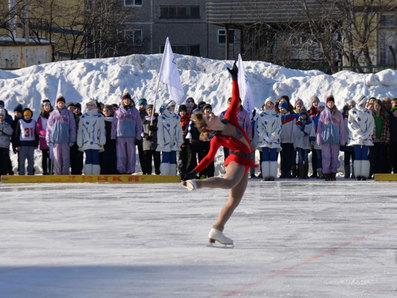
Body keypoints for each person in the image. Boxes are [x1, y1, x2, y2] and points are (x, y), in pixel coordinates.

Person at [181, 62, 256, 246]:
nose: (211, 115)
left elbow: (235, 97)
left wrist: (234, 79)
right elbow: (208, 158)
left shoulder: (229, 117)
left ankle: (217, 229)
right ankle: (198, 184)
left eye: (210, 114)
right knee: (229, 182)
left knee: (234, 200)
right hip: (236, 160)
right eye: (208, 118)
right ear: (207, 127)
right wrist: (194, 172)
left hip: (246, 162)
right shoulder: (216, 139)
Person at [111, 91, 142, 174]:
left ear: (130, 101)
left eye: (128, 99)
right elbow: (114, 125)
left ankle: (130, 170)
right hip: (120, 136)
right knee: (121, 154)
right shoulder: (118, 111)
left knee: (131, 155)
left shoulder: (135, 111)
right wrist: (113, 137)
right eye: (125, 99)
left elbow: (139, 125)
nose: (126, 101)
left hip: (131, 136)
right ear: (122, 101)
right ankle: (122, 170)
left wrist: (138, 137)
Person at [316, 95, 346, 181]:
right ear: (326, 103)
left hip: (335, 139)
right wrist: (319, 138)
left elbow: (342, 128)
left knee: (334, 157)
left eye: (331, 102)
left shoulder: (338, 114)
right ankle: (326, 173)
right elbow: (319, 127)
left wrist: (342, 139)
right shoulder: (323, 113)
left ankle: (333, 173)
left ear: (334, 103)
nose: (330, 104)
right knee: (326, 157)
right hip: (325, 139)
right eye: (328, 102)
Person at [46, 95, 76, 175]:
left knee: (65, 159)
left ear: (64, 104)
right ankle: (57, 174)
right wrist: (48, 139)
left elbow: (72, 127)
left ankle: (65, 174)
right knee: (57, 159)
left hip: (65, 140)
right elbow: (49, 128)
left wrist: (72, 140)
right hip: (56, 141)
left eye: (62, 103)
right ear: (57, 104)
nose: (61, 104)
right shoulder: (53, 113)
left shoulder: (68, 113)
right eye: (59, 103)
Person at [347, 95, 374, 180]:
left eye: (365, 102)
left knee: (365, 155)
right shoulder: (352, 111)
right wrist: (357, 132)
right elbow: (350, 123)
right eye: (363, 102)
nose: (364, 104)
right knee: (357, 155)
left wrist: (367, 133)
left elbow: (371, 124)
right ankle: (358, 174)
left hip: (366, 137)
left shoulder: (369, 112)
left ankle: (364, 174)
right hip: (357, 137)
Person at [77, 98, 106, 175]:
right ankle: (88, 174)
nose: (90, 107)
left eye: (92, 105)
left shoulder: (99, 117)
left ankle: (95, 174)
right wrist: (79, 141)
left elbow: (102, 130)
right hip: (86, 142)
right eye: (88, 105)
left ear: (95, 106)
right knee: (88, 158)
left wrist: (102, 140)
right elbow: (80, 131)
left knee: (95, 158)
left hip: (96, 142)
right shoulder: (83, 117)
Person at [255, 97, 281, 181]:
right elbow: (259, 127)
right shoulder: (261, 115)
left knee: (273, 157)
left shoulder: (277, 115)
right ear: (265, 105)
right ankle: (266, 175)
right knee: (265, 157)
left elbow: (279, 127)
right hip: (264, 140)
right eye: (268, 104)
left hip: (274, 140)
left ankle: (272, 175)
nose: (269, 105)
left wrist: (273, 136)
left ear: (273, 105)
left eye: (271, 103)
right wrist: (265, 136)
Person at [156, 99, 183, 175]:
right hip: (165, 141)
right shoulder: (162, 117)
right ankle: (165, 173)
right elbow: (160, 130)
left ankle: (172, 173)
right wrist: (161, 141)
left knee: (173, 158)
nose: (173, 108)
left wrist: (180, 140)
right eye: (172, 106)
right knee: (165, 157)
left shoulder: (177, 117)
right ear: (167, 107)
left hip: (174, 141)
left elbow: (179, 130)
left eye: (174, 106)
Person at [14, 108, 39, 175]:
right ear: (23, 115)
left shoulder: (34, 122)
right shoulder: (20, 122)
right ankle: (21, 173)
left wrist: (36, 144)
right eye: (25, 115)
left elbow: (36, 134)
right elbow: (17, 133)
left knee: (31, 161)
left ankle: (30, 173)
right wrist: (17, 144)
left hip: (31, 144)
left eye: (28, 115)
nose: (27, 117)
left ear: (30, 115)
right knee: (22, 161)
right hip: (22, 144)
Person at [293, 110, 315, 179]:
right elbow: (295, 132)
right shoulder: (297, 123)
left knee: (305, 158)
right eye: (301, 115)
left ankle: (305, 174)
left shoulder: (310, 122)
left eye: (304, 115)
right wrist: (303, 133)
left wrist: (311, 139)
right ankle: (300, 174)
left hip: (306, 143)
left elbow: (311, 131)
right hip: (299, 143)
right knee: (300, 158)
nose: (303, 116)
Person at [371, 99, 390, 175]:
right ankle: (374, 172)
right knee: (373, 157)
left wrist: (386, 139)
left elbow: (387, 128)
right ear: (374, 106)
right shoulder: (371, 115)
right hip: (373, 139)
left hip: (382, 139)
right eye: (376, 106)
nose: (377, 107)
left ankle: (380, 172)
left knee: (381, 157)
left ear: (381, 107)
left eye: (378, 106)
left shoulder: (384, 116)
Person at [278, 101, 297, 178]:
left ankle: (288, 171)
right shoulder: (279, 118)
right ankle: (283, 171)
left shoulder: (292, 117)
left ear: (286, 108)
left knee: (289, 157)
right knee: (283, 157)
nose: (281, 110)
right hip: (282, 141)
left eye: (282, 108)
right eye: (279, 108)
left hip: (290, 141)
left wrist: (293, 139)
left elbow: (294, 129)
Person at [36, 99, 53, 175]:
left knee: (51, 157)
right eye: (45, 106)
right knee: (44, 156)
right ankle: (45, 171)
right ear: (43, 107)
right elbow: (38, 129)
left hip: (52, 140)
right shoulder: (40, 118)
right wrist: (46, 133)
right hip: (44, 140)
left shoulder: (53, 115)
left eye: (48, 105)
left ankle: (51, 170)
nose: (47, 107)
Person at [142, 104, 161, 175]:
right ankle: (148, 172)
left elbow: (160, 128)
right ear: (146, 111)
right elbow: (140, 130)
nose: (150, 111)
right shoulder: (144, 120)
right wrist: (144, 135)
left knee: (157, 158)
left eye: (151, 110)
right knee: (147, 159)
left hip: (155, 141)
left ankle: (157, 172)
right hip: (146, 142)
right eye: (149, 110)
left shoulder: (157, 119)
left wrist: (155, 128)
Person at [100, 104, 117, 174]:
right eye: (104, 111)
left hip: (112, 140)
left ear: (110, 111)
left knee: (112, 157)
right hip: (104, 141)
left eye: (107, 110)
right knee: (104, 157)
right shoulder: (101, 120)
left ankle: (113, 172)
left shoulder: (114, 119)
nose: (106, 112)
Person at [0, 108, 13, 175]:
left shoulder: (7, 124)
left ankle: (4, 174)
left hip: (5, 146)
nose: (1, 117)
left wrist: (3, 130)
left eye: (2, 115)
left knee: (4, 161)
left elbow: (10, 132)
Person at [136, 98, 148, 174]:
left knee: (147, 154)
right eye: (141, 105)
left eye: (143, 105)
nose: (142, 106)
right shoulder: (137, 114)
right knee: (141, 155)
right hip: (140, 137)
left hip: (147, 137)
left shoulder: (148, 114)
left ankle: (147, 169)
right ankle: (144, 170)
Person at [389, 106, 397, 173]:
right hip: (391, 141)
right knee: (392, 157)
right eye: (395, 112)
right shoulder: (390, 120)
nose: (396, 113)